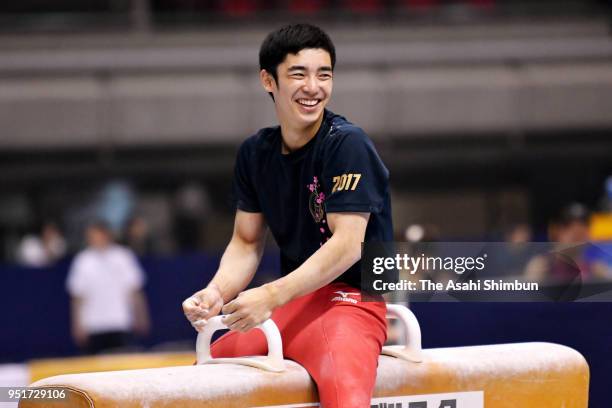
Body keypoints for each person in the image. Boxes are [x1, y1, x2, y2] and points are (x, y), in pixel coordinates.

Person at [182, 24, 393, 407]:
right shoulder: (255, 154)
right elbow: (246, 243)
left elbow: (349, 244)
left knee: (346, 398)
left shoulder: (348, 145)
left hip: (353, 301)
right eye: (299, 74)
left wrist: (270, 294)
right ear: (268, 80)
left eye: (323, 74)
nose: (313, 87)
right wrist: (215, 293)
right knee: (203, 382)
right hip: (294, 304)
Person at [67, 220, 150, 354]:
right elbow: (77, 297)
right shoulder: (83, 261)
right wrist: (77, 325)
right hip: (94, 325)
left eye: (97, 235)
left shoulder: (123, 256)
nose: (94, 239)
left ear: (106, 235)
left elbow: (134, 290)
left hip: (120, 322)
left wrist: (141, 316)